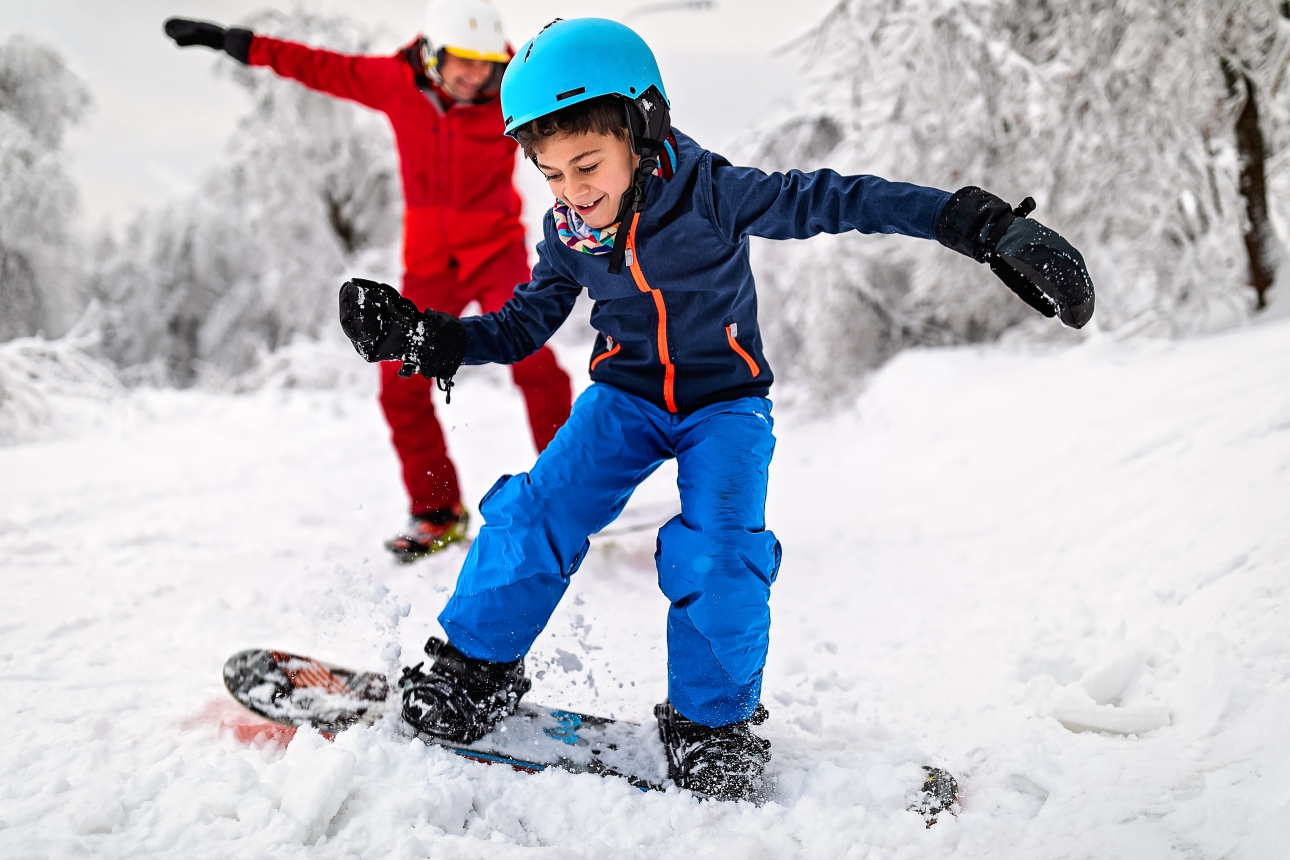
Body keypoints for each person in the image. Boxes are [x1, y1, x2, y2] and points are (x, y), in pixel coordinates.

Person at [338, 18, 1095, 800]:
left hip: (724, 406)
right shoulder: (569, 234)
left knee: (722, 551)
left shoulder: (713, 193)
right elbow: (522, 324)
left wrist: (978, 225)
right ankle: (473, 669)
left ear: (642, 127)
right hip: (625, 398)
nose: (572, 191)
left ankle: (709, 726)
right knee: (537, 511)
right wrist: (427, 337)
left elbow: (840, 199)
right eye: (551, 173)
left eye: (587, 165)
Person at [163, 0, 574, 561]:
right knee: (398, 383)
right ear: (432, 54)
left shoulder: (512, 91)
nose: (475, 75)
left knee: (534, 362)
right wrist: (236, 42)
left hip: (494, 251)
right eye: (463, 61)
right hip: (430, 262)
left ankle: (569, 494)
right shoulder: (395, 83)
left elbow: (575, 108)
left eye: (485, 63)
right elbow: (318, 66)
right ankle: (438, 510)